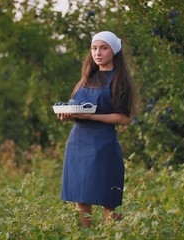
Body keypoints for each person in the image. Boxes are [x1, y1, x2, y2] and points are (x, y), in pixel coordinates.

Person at [56, 31, 137, 227]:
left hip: (103, 145)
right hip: (77, 143)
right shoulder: (86, 78)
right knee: (81, 198)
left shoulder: (120, 81)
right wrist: (67, 116)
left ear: (114, 51)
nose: (97, 53)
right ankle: (85, 235)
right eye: (94, 48)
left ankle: (114, 235)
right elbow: (75, 109)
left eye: (103, 48)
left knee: (108, 199)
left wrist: (91, 116)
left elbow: (123, 118)